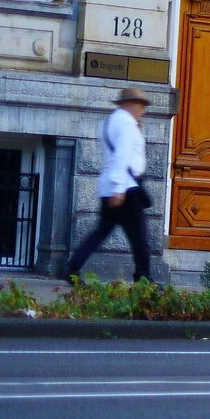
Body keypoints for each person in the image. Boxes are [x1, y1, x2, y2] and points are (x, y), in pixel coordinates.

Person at [64, 86, 154, 282]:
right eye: (140, 106)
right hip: (126, 188)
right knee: (140, 238)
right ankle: (144, 279)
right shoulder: (126, 123)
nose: (142, 110)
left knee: (101, 232)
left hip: (110, 186)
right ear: (130, 104)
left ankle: (72, 267)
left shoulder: (111, 121)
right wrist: (119, 189)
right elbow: (121, 155)